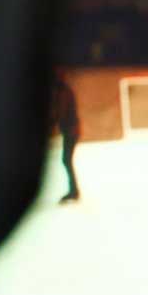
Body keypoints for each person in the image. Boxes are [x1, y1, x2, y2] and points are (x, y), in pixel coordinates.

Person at [52, 69, 81, 202]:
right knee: (66, 160)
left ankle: (74, 191)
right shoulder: (63, 91)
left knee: (66, 160)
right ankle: (74, 190)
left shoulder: (63, 92)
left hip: (71, 130)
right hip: (71, 130)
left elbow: (60, 111)